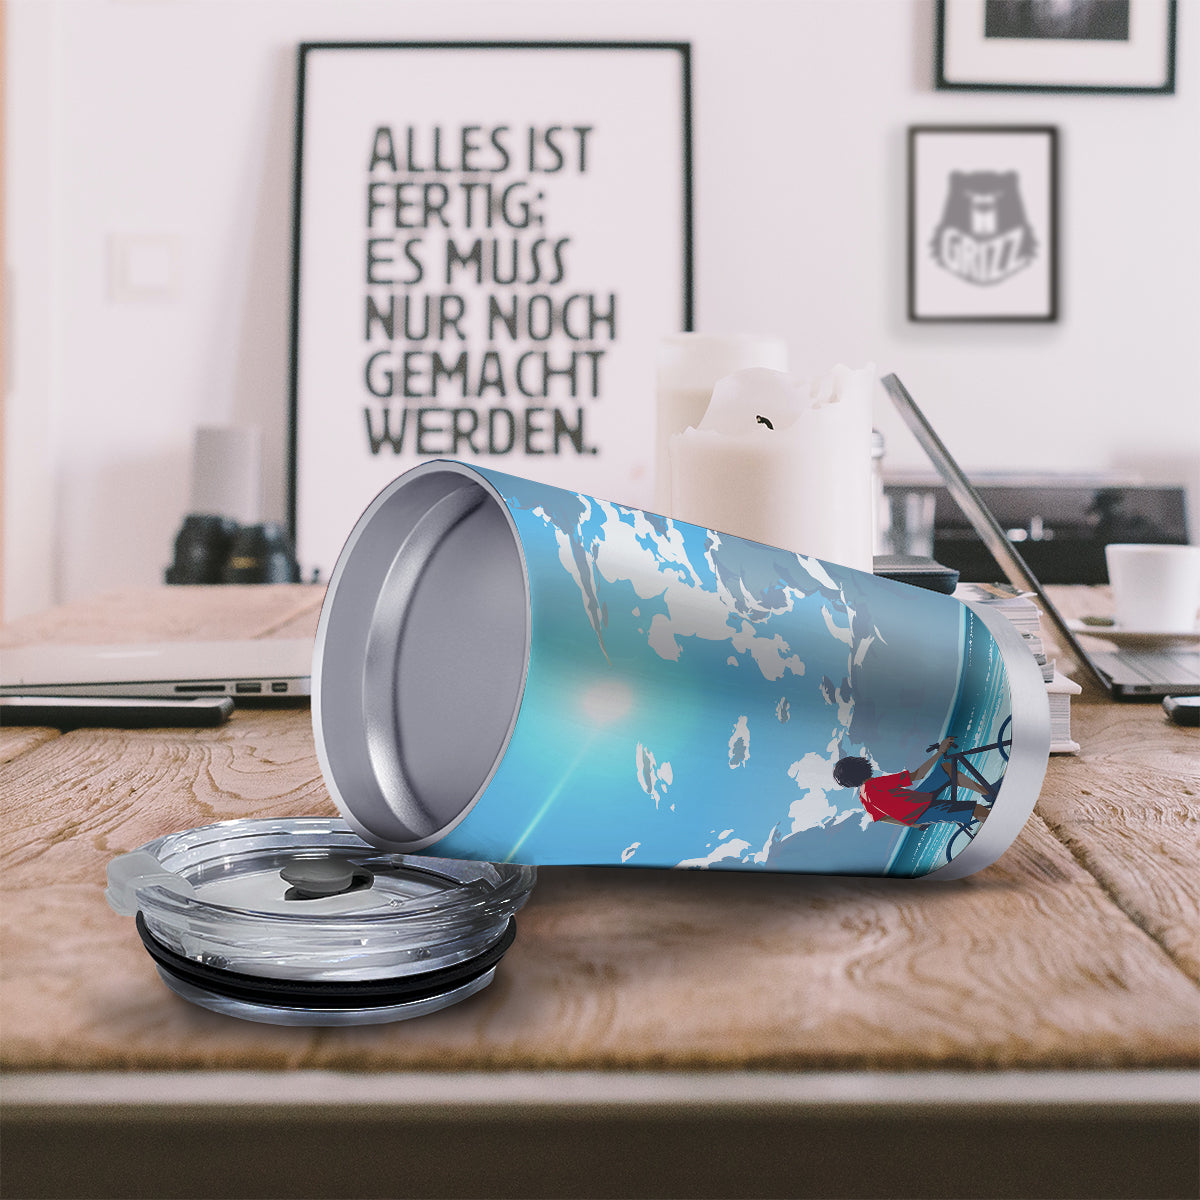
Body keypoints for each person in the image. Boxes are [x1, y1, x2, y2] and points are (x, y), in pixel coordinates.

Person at [832, 737, 992, 829]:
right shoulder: (875, 784)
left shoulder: (863, 796)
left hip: (918, 802)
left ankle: (988, 794)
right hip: (924, 810)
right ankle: (994, 823)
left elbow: (882, 818)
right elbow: (918, 774)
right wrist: (941, 751)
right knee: (976, 810)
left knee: (946, 768)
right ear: (859, 765)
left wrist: (914, 825)